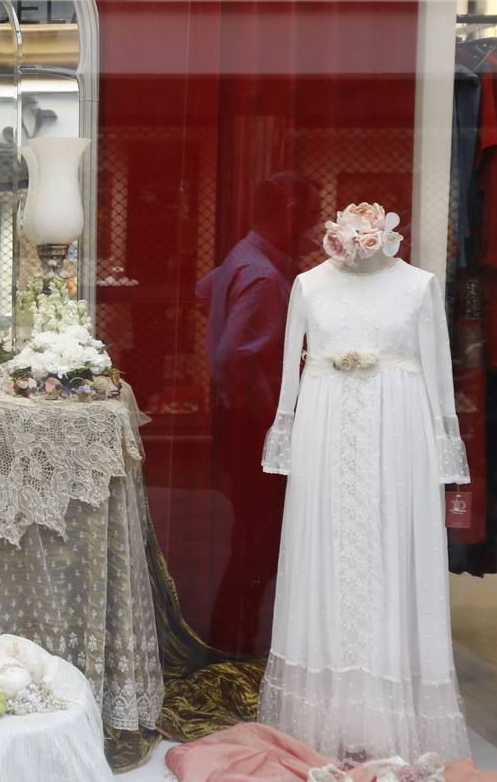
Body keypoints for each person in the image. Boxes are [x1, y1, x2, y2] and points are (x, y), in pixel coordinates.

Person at [194, 171, 320, 654]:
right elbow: (235, 358)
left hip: (239, 421)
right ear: (287, 215)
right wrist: (278, 417)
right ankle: (235, 642)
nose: (314, 230)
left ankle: (234, 636)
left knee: (251, 536)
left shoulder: (243, 257)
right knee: (257, 542)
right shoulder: (267, 276)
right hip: (255, 427)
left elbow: (205, 292)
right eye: (309, 217)